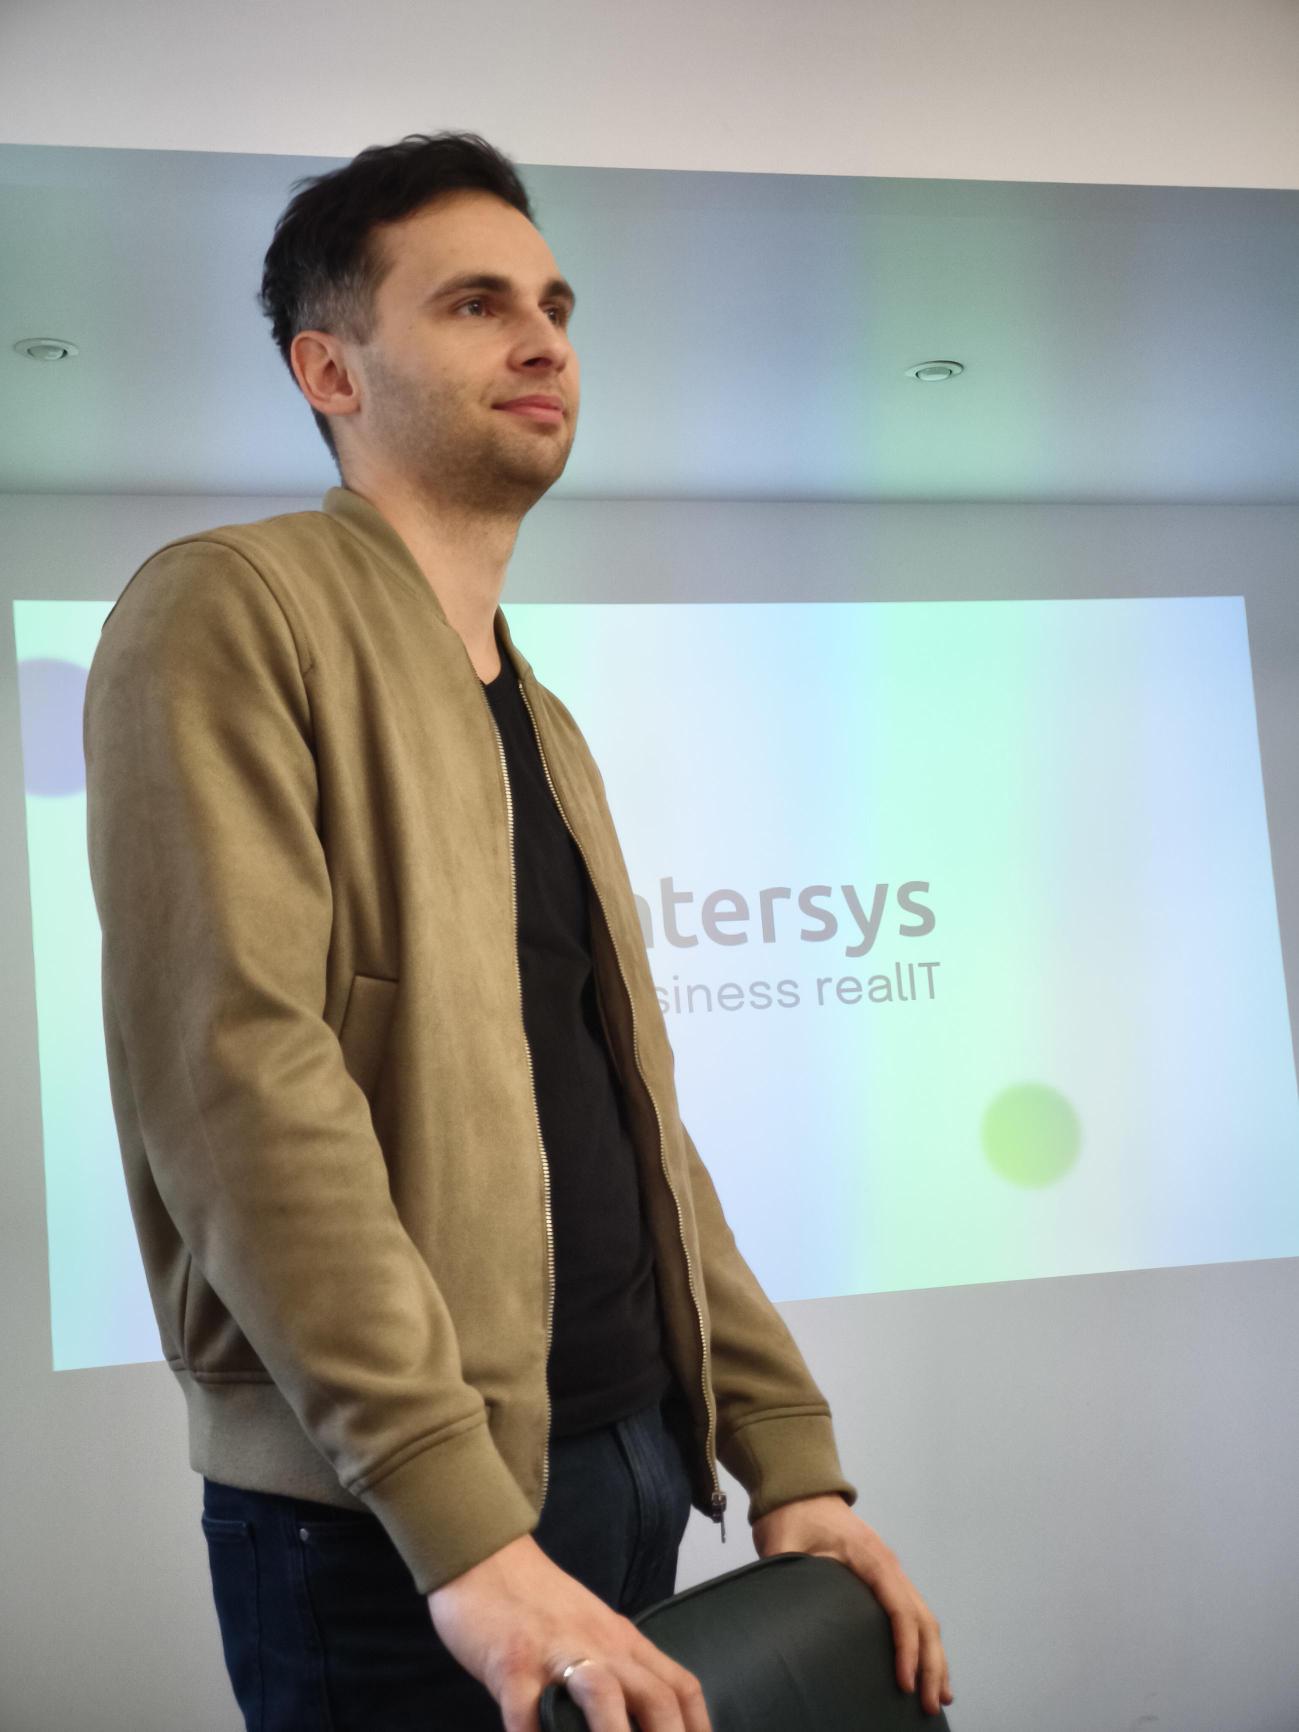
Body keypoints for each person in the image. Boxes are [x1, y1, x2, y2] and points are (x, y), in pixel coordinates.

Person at [83, 130, 954, 1732]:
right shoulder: (227, 609)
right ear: (328, 369)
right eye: (475, 303)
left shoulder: (544, 723)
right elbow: (237, 1085)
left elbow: (641, 1134)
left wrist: (787, 1454)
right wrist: (461, 1522)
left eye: (554, 304)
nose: (545, 339)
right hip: (390, 1523)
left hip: (628, 1464)